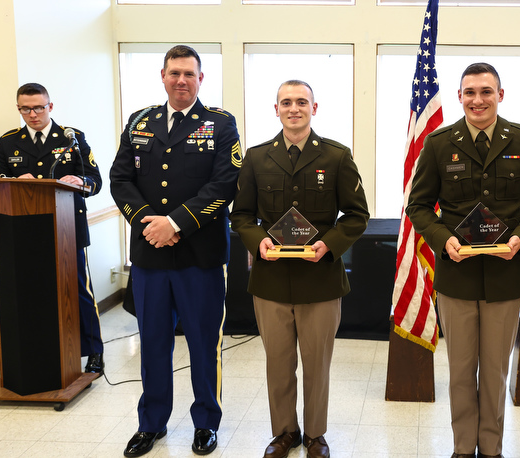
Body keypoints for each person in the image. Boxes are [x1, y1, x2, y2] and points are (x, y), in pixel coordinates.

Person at [406, 62, 520, 458]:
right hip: (456, 277)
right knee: (459, 373)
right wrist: (443, 239)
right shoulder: (439, 143)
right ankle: (461, 449)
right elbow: (418, 207)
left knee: (494, 372)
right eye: (470, 92)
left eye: (486, 92)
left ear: (500, 96)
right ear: (459, 97)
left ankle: (490, 449)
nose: (478, 100)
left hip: (505, 276)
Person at [110, 45, 243, 457]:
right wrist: (151, 222)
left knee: (204, 344)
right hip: (150, 256)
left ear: (201, 78)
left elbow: (223, 186)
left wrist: (176, 224)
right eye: (174, 73)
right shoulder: (140, 121)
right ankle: (151, 423)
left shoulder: (220, 124)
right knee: (152, 342)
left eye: (189, 73)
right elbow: (120, 179)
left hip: (199, 258)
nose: (181, 80)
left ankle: (206, 422)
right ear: (162, 76)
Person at [230, 80, 369, 458]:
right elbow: (240, 215)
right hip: (271, 280)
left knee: (317, 365)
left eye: (301, 102)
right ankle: (285, 433)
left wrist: (329, 245)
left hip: (320, 280)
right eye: (286, 102)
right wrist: (258, 241)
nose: (294, 108)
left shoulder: (337, 156)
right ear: (275, 109)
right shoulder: (256, 158)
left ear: (314, 107)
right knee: (278, 364)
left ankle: (315, 435)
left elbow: (357, 216)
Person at [0, 82, 104, 374]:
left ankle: (93, 351)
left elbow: (95, 179)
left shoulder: (71, 138)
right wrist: (15, 181)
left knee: (78, 290)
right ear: (19, 109)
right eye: (25, 109)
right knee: (32, 292)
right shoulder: (9, 142)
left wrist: (80, 182)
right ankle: (42, 353)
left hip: (68, 229)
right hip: (24, 231)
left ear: (50, 106)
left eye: (39, 107)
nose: (32, 114)